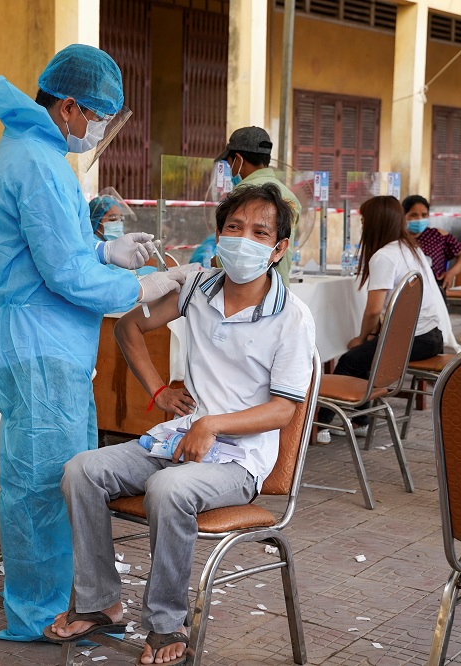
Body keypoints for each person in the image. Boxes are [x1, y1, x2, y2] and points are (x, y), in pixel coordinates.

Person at [44, 184, 315, 665]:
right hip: (179, 439)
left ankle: (166, 624)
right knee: (80, 471)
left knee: (169, 490)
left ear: (278, 250)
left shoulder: (291, 317)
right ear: (218, 234)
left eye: (258, 232)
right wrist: (158, 392)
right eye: (233, 228)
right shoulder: (198, 288)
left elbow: (284, 410)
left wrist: (211, 424)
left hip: (240, 460)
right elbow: (129, 327)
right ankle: (100, 601)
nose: (242, 239)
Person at [0, 43, 183, 641]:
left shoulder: (35, 149)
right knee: (43, 482)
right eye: (97, 117)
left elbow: (54, 245)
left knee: (48, 473)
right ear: (69, 106)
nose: (96, 130)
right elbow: (64, 273)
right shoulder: (37, 161)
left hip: (41, 340)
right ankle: (41, 612)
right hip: (40, 341)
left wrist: (104, 247)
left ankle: (62, 595)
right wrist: (141, 284)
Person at [316, 196, 453, 441]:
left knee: (349, 360)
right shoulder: (410, 248)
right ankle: (360, 421)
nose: (362, 225)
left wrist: (360, 337)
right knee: (363, 357)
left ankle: (319, 426)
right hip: (432, 335)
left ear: (375, 223)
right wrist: (372, 335)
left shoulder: (384, 256)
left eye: (364, 220)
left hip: (415, 338)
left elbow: (373, 310)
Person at [217, 127, 301, 286]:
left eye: (230, 164)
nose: (231, 170)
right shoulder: (290, 196)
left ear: (238, 159)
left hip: (243, 290)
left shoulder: (241, 195)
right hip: (278, 287)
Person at [402, 194, 461, 288]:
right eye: (414, 215)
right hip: (405, 290)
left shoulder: (438, 236)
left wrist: (451, 273)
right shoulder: (398, 238)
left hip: (435, 288)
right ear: (403, 216)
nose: (419, 219)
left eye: (424, 215)